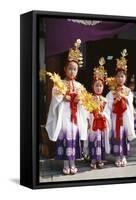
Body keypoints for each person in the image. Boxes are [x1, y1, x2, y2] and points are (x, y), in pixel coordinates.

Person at [45, 39, 88, 175]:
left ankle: (73, 163)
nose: (72, 71)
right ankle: (65, 163)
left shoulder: (80, 85)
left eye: (74, 69)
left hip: (74, 116)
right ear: (65, 69)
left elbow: (85, 101)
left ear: (77, 71)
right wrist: (63, 97)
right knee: (64, 137)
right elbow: (55, 96)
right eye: (70, 68)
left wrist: (79, 100)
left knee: (73, 137)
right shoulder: (60, 83)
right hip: (64, 114)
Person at [106, 49, 136, 167]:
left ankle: (123, 156)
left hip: (124, 118)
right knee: (116, 136)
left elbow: (130, 102)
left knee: (123, 136)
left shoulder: (128, 91)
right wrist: (114, 100)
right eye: (118, 76)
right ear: (115, 78)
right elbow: (108, 104)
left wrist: (123, 96)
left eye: (122, 76)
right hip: (115, 117)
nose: (120, 78)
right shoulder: (112, 92)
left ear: (125, 78)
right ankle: (117, 157)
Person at [88, 57, 110, 169]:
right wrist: (89, 117)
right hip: (93, 124)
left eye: (100, 85)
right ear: (92, 86)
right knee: (93, 141)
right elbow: (87, 112)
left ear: (103, 87)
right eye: (96, 85)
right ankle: (93, 159)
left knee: (100, 141)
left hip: (102, 124)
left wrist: (104, 115)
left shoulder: (105, 100)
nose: (98, 87)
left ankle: (100, 159)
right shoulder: (89, 98)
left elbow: (108, 112)